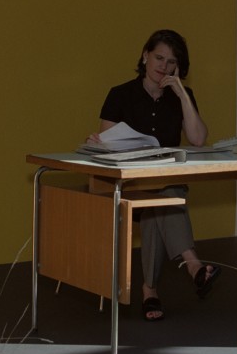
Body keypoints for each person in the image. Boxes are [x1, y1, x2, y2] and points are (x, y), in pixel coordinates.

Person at [89, 29, 220, 321]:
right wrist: (99, 142)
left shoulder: (181, 96)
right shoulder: (120, 94)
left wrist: (183, 96)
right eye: (159, 57)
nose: (164, 66)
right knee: (161, 198)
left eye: (172, 62)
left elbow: (198, 139)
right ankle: (193, 266)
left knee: (159, 200)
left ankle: (151, 291)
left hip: (163, 185)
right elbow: (107, 140)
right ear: (145, 56)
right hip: (127, 183)